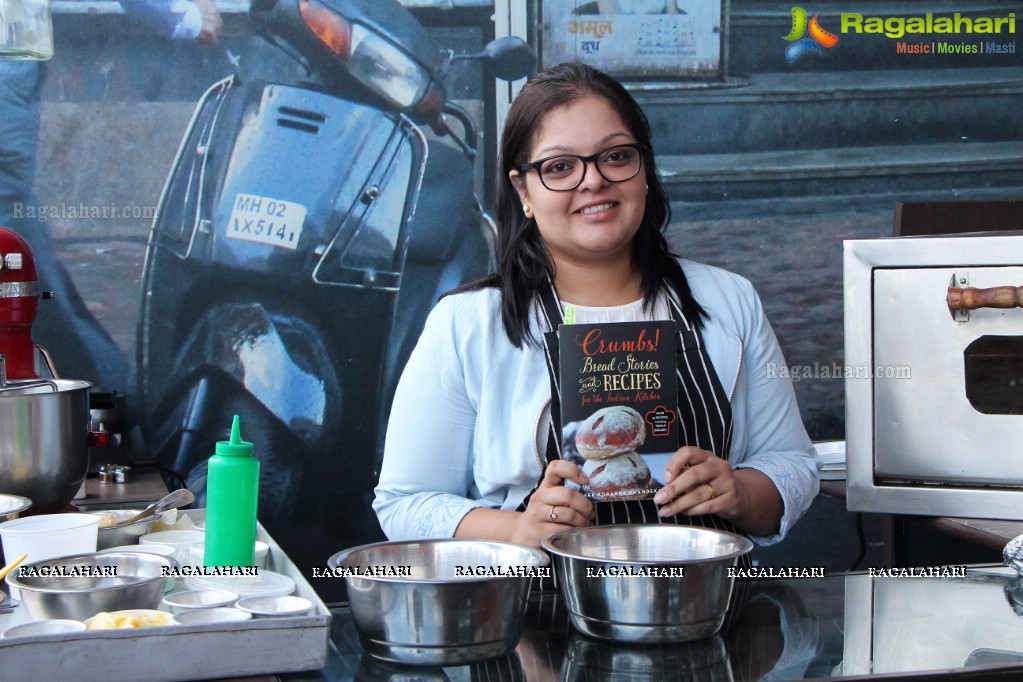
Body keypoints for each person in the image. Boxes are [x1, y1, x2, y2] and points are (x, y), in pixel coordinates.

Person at [373, 62, 819, 554]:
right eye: (560, 166)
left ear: (644, 170)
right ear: (523, 190)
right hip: (537, 617)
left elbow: (792, 467)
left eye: (616, 156)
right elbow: (405, 503)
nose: (594, 181)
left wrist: (738, 492)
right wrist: (517, 530)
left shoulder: (729, 301)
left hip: (704, 606)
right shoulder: (468, 323)